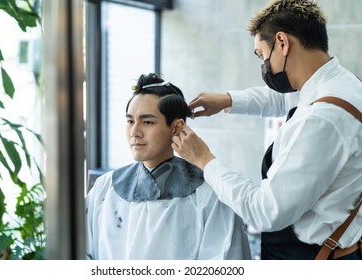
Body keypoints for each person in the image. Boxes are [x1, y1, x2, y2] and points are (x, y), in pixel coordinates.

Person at [172, 0, 362, 260]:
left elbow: (264, 211)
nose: (264, 66)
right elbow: (286, 98)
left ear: (282, 43)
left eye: (262, 56)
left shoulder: (322, 120)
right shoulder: (342, 84)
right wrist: (228, 100)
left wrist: (204, 160)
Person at [85, 73, 251, 260]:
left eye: (147, 122)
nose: (134, 132)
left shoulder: (209, 194)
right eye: (130, 121)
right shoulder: (105, 189)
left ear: (176, 128)